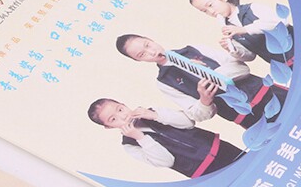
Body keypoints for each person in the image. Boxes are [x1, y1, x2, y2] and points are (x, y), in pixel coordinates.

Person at [115, 33, 286, 129]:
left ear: (151, 39)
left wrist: (213, 75)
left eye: (147, 45)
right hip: (248, 117)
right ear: (138, 61)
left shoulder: (193, 49)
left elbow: (242, 68)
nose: (151, 52)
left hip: (269, 93)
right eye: (142, 54)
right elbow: (196, 115)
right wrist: (204, 100)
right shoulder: (164, 82)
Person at [87, 98, 243, 177]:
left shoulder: (151, 112)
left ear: (124, 104)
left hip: (219, 148)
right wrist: (140, 137)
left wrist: (155, 115)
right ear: (109, 127)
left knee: (250, 166)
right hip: (202, 170)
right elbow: (167, 161)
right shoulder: (130, 145)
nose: (123, 116)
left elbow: (188, 123)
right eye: (113, 119)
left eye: (120, 109)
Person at [188, 0, 294, 66]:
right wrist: (233, 50)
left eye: (210, 5)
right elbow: (251, 56)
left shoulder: (253, 8)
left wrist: (244, 30)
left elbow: (280, 22)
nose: (211, 12)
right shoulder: (229, 29)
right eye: (205, 11)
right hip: (286, 66)